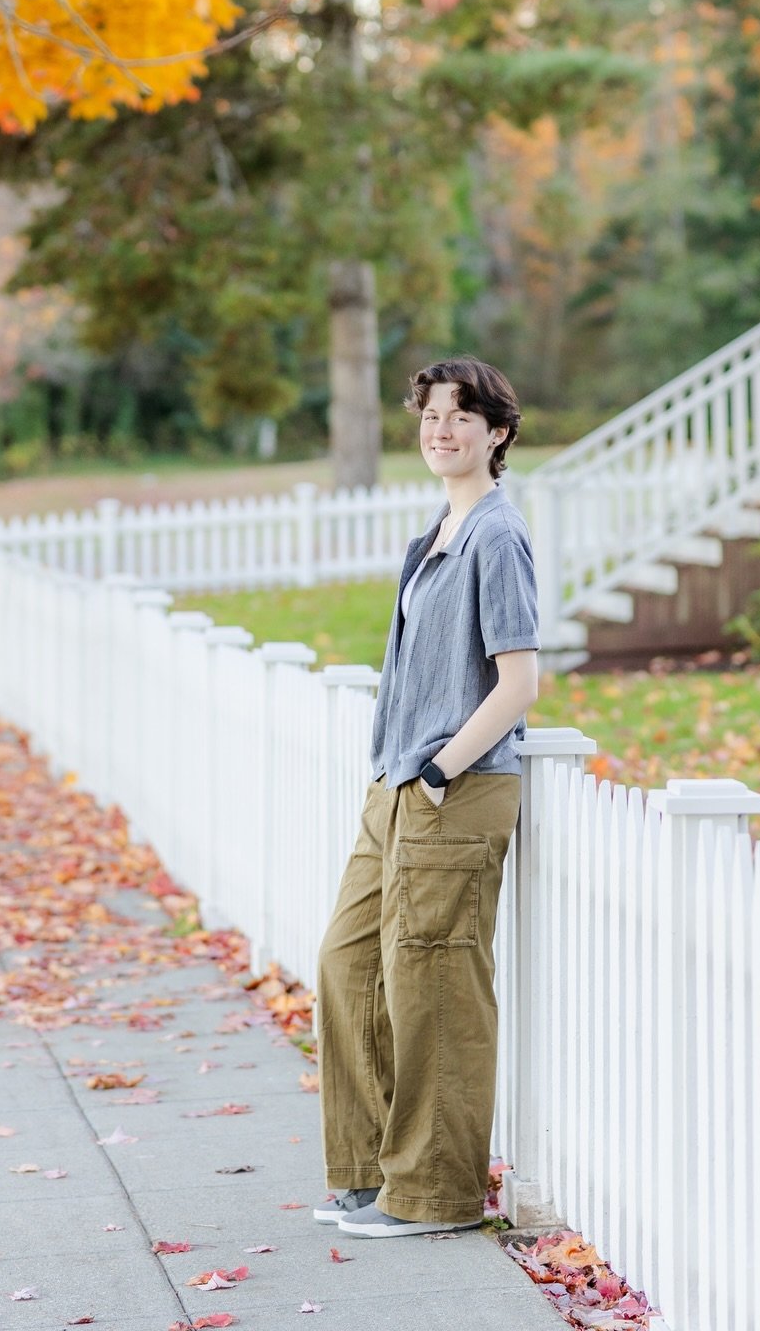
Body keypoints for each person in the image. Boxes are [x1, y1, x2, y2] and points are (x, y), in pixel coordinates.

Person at [313, 355, 541, 1239]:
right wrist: (404, 774)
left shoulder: (497, 535)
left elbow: (519, 681)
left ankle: (436, 1194)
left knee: (436, 985)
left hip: (455, 788)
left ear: (498, 433)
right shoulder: (435, 534)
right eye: (429, 417)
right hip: (399, 787)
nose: (440, 430)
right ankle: (370, 1174)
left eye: (460, 417)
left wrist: (444, 768)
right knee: (349, 962)